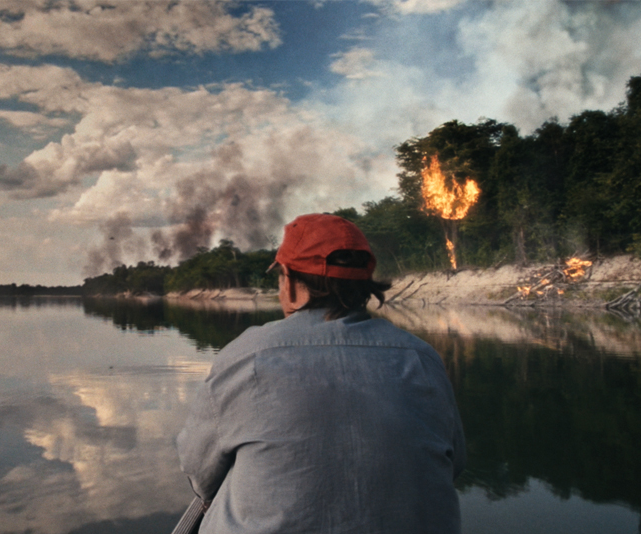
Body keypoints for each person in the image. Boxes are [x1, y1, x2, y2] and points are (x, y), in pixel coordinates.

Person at [176, 213, 465, 534]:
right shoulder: (422, 356)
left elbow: (199, 471)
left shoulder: (247, 354)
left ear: (291, 283)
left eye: (280, 277)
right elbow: (454, 463)